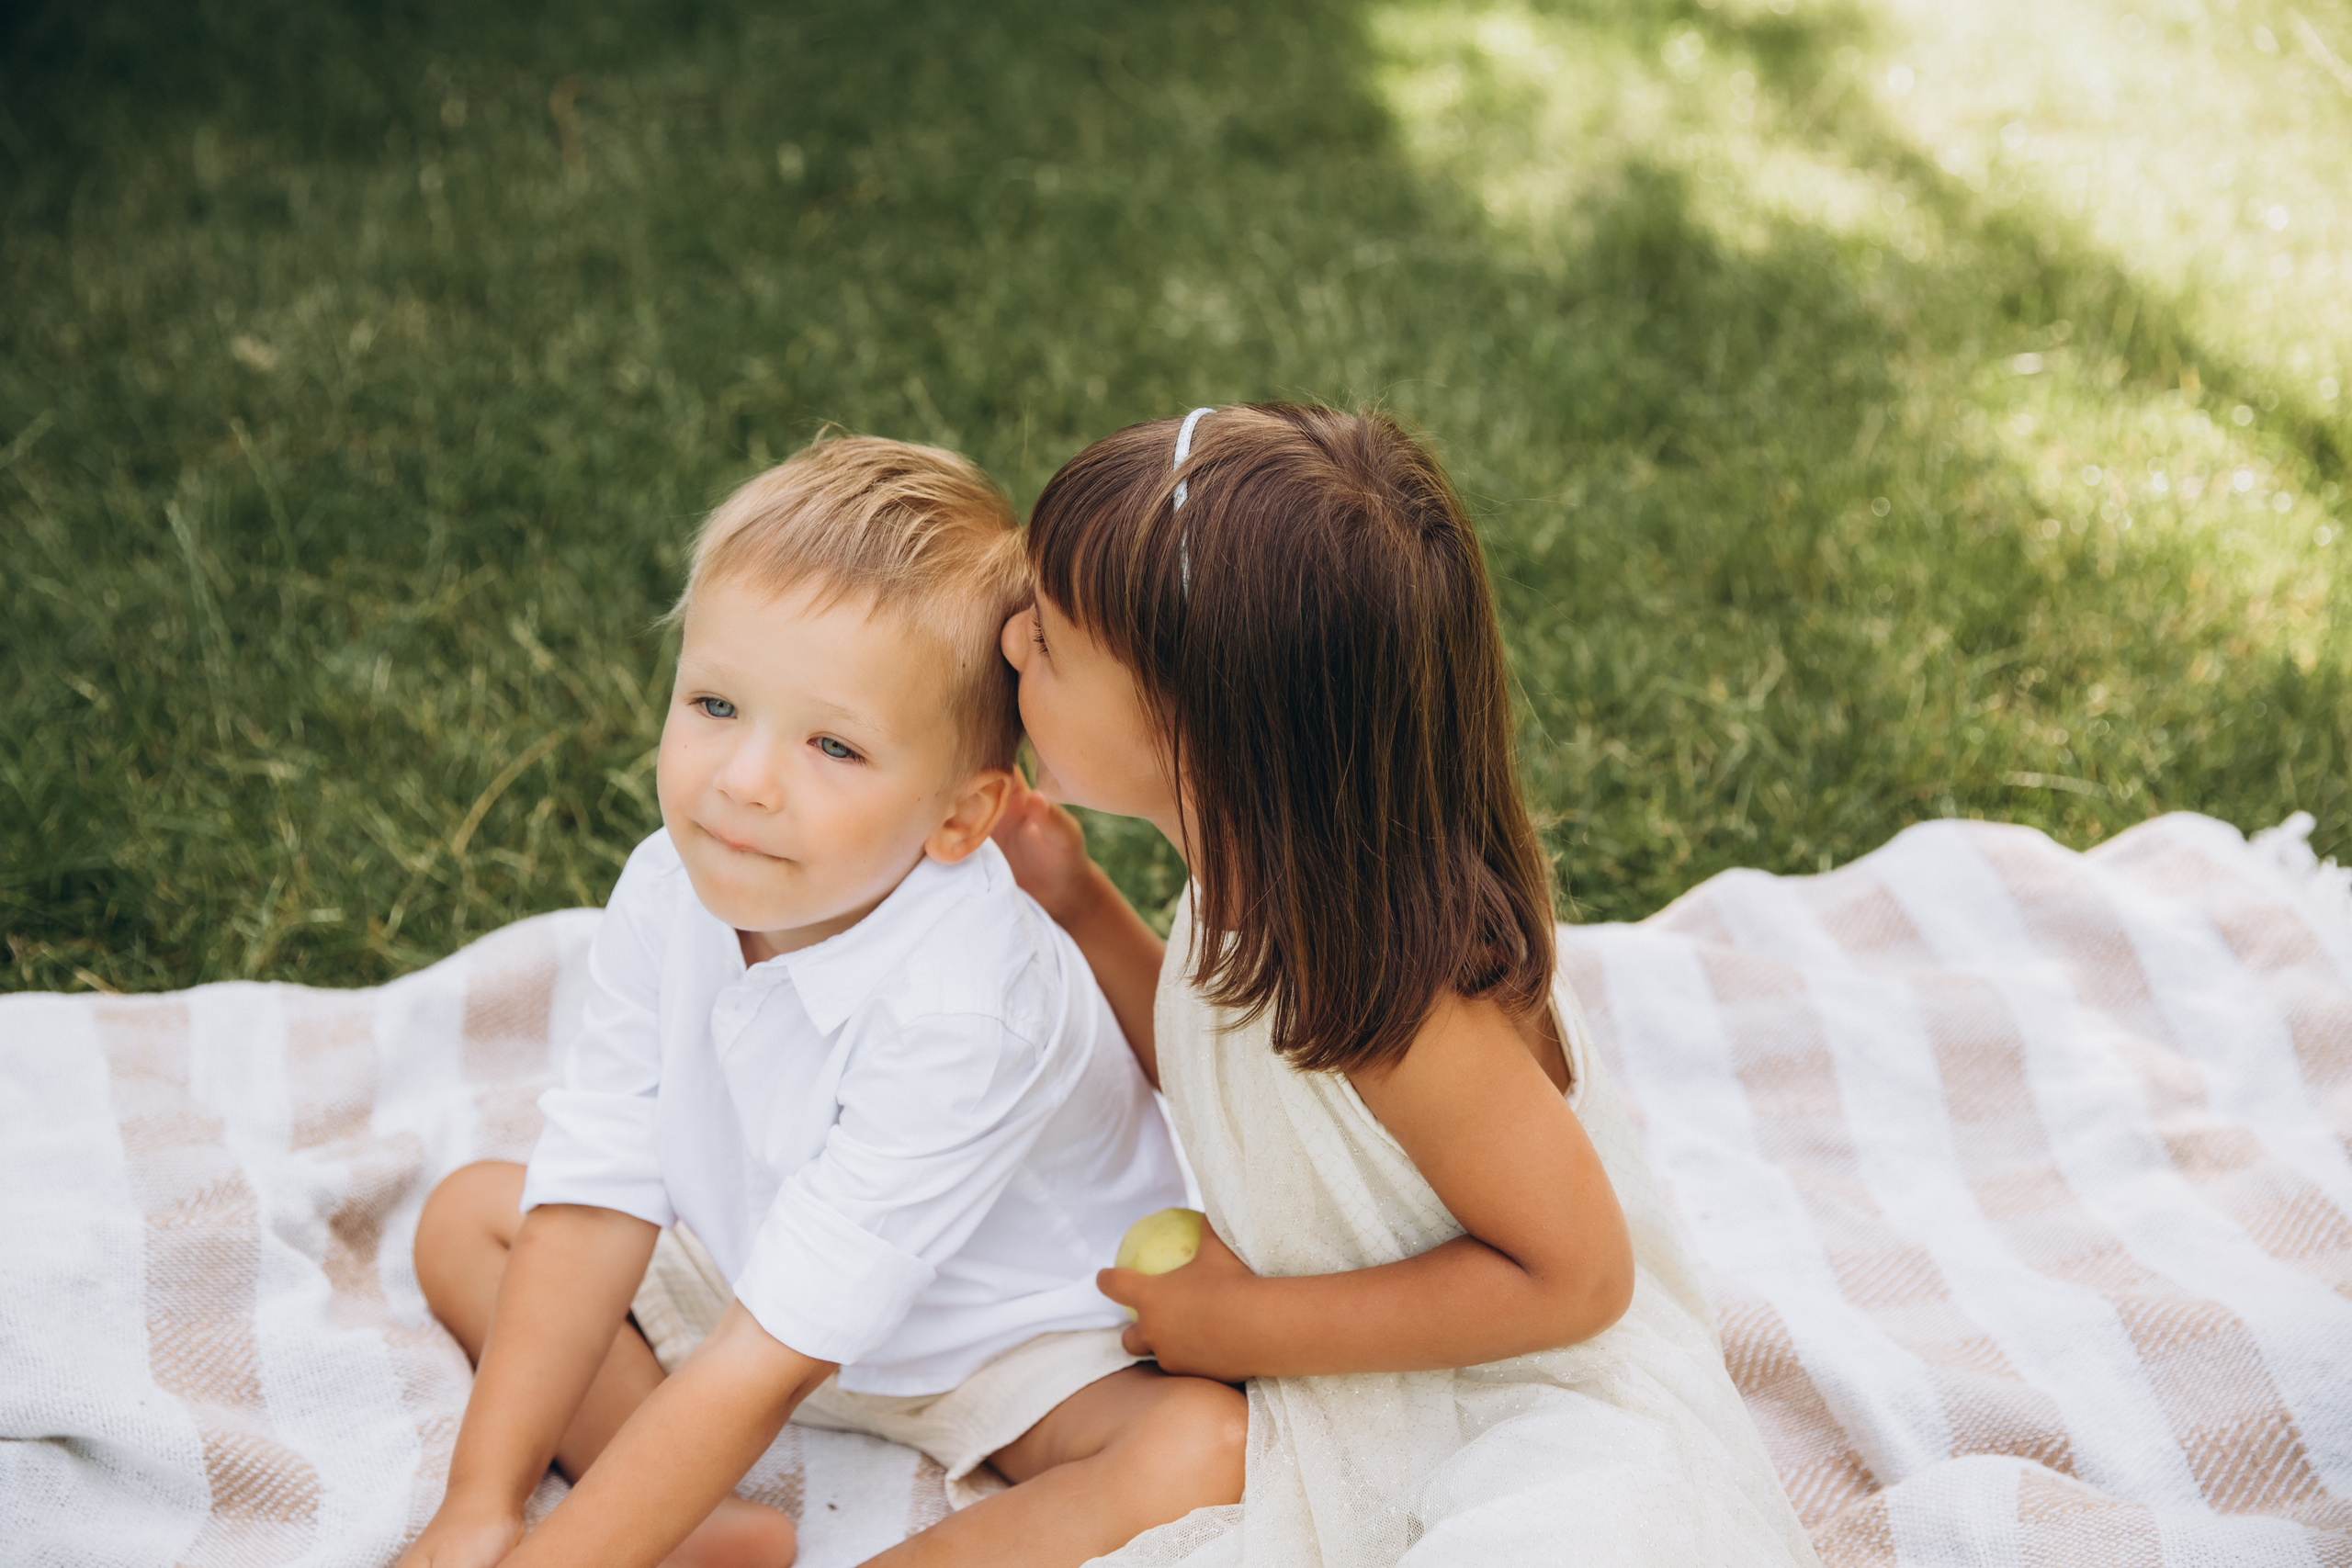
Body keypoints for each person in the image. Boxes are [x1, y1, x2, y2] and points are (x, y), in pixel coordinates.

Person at [991, 403, 1823, 1565]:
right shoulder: (1247, 885)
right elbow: (1210, 1059)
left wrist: (1243, 1325)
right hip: (1372, 1380)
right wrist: (1077, 904)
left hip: (1531, 1403)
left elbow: (1573, 1277)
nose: (1008, 640)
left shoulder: (1400, 990)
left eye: (1050, 641)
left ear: (1196, 726)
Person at [398, 435, 1247, 1568]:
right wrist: (480, 1509)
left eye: (833, 746)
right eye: (713, 704)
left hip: (1003, 1349)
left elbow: (772, 1360)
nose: (744, 779)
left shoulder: (969, 1007)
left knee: (1207, 1445)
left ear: (961, 817)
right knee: (475, 1215)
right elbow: (602, 1179)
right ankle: (697, 1526)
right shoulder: (670, 882)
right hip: (763, 1276)